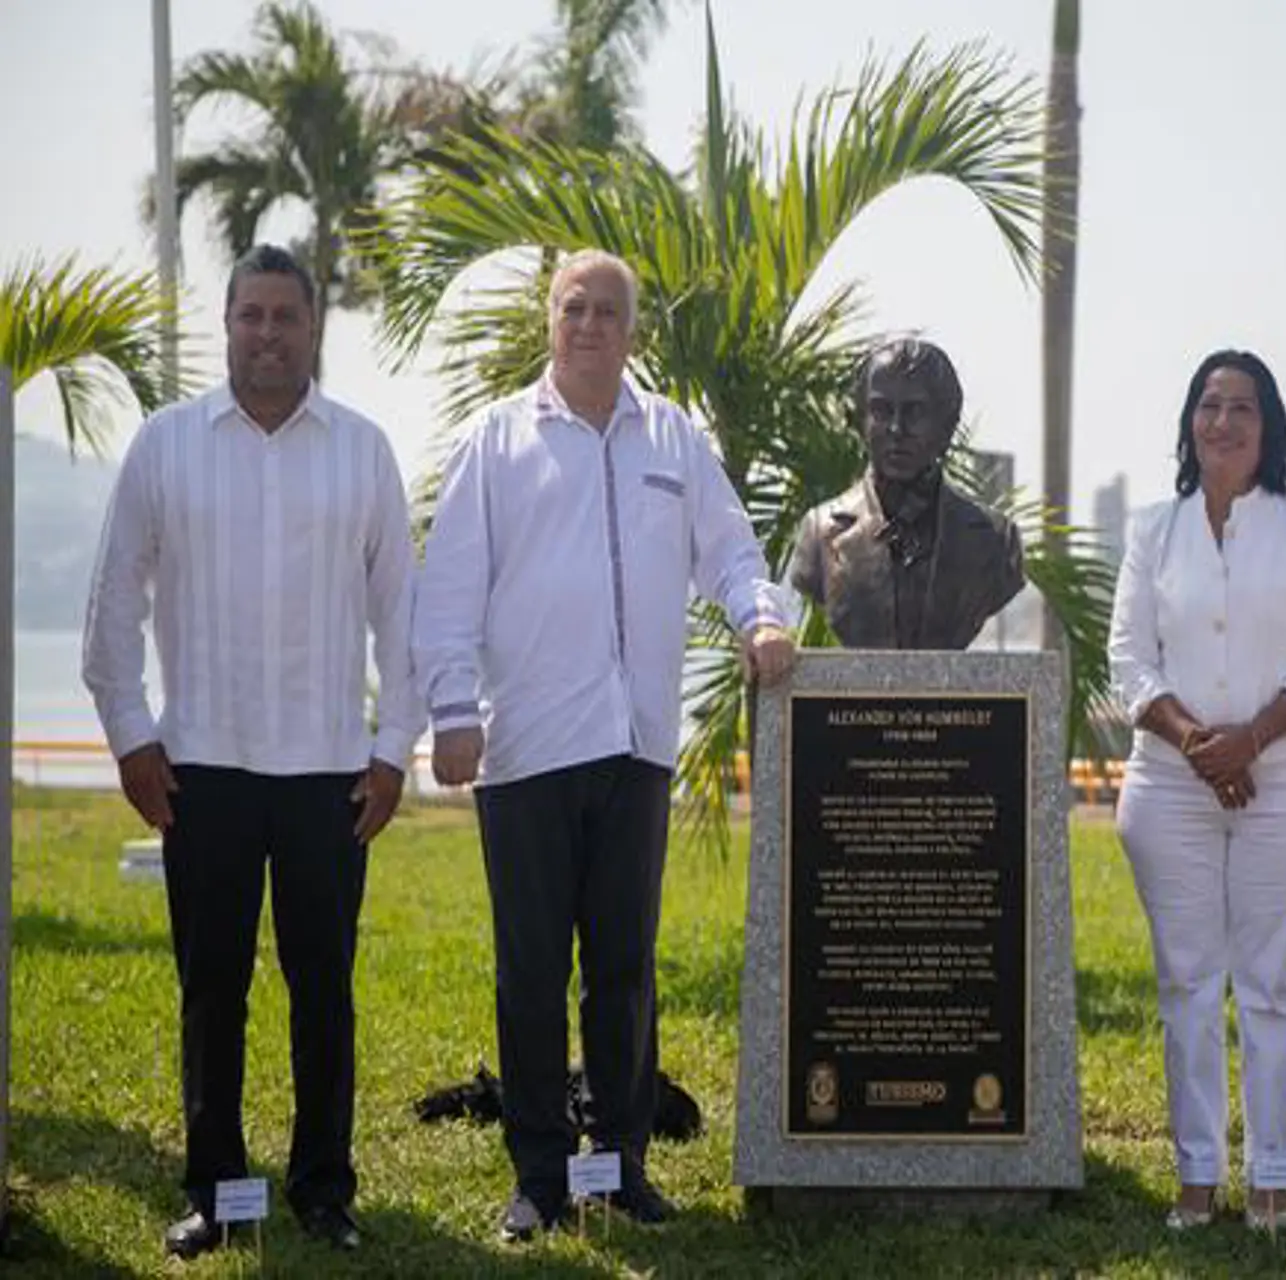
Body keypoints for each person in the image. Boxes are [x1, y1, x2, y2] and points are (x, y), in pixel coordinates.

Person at [412, 249, 796, 1242]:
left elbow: (731, 549)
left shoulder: (673, 436)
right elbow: (448, 588)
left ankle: (621, 1166)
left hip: (637, 748)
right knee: (532, 971)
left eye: (607, 310)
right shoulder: (495, 442)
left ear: (633, 330)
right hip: (527, 749)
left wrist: (760, 618)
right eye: (571, 307)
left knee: (625, 965)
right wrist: (452, 708)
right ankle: (540, 1176)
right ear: (550, 321)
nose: (588, 323)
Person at [81, 244, 422, 1258]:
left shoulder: (362, 450)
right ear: (226, 324)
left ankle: (324, 1186)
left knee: (325, 992)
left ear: (314, 329)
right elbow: (111, 607)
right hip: (204, 770)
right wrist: (134, 739)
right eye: (250, 315)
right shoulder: (165, 446)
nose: (267, 332)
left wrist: (393, 747)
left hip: (327, 773)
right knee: (211, 989)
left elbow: (402, 614)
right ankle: (217, 1190)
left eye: (285, 316)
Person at [1107, 348, 1286, 1233]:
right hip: (1169, 787)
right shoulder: (1150, 529)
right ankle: (1198, 1176)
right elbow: (1128, 659)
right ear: (1189, 421)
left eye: (1242, 406)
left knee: (1271, 987)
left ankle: (1273, 1177)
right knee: (1187, 984)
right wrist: (1196, 742)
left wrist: (1249, 741)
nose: (1224, 420)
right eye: (1209, 404)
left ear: (1268, 425)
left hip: (1284, 784)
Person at [790, 337, 1025, 650]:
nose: (896, 429)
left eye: (914, 413)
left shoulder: (995, 540)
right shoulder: (819, 532)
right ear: (861, 422)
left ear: (946, 426)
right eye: (881, 411)